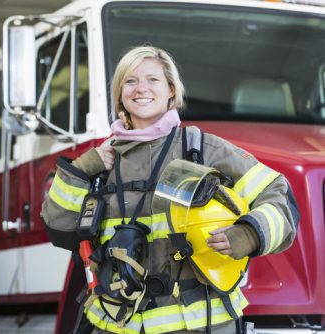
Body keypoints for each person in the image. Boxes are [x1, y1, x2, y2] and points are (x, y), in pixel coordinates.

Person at [41, 46, 299, 334]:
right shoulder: (101, 161)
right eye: (130, 81)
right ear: (120, 94)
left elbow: (281, 198)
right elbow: (60, 230)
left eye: (152, 80)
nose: (141, 89)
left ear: (171, 91)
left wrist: (250, 234)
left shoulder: (202, 149)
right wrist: (79, 171)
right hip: (114, 324)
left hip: (198, 325)